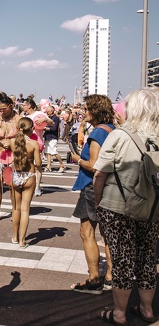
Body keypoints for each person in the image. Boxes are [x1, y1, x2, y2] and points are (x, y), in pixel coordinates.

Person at [93, 88, 159, 326]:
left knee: (122, 259)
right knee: (146, 258)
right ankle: (147, 309)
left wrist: (98, 203)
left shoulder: (120, 135)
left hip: (118, 207)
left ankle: (119, 313)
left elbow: (99, 174)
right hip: (152, 209)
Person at [70, 94, 114, 295]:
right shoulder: (112, 130)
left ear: (95, 111)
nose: (83, 111)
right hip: (110, 188)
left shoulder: (97, 133)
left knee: (87, 232)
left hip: (92, 187)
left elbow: (95, 165)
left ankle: (94, 278)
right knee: (108, 235)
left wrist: (78, 159)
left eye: (87, 108)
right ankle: (111, 278)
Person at [9, 118, 41, 247]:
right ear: (31, 129)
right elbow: (38, 163)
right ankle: (22, 241)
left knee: (16, 208)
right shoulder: (34, 144)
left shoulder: (13, 142)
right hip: (29, 176)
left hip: (16, 175)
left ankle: (15, 236)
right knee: (25, 209)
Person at [0, 92, 21, 222]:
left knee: (12, 185)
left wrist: (13, 144)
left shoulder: (18, 119)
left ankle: (15, 211)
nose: (1, 111)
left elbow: (24, 137)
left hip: (13, 155)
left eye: (4, 108)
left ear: (11, 105)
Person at [21, 97, 53, 196]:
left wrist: (45, 119)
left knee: (37, 166)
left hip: (37, 143)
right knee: (25, 165)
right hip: (24, 144)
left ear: (29, 106)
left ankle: (37, 186)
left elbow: (52, 123)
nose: (22, 106)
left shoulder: (39, 114)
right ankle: (27, 184)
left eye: (24, 105)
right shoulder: (23, 116)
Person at [43, 105, 65, 173]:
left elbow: (54, 128)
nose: (46, 112)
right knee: (48, 152)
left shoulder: (55, 118)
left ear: (51, 111)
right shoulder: (48, 118)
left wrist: (46, 128)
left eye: (47, 111)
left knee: (54, 151)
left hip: (53, 137)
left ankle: (62, 165)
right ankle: (48, 166)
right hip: (47, 136)